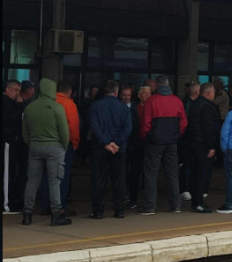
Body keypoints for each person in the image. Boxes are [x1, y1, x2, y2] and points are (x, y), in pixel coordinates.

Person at [21, 78, 71, 226]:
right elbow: (64, 132)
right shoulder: (57, 107)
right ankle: (56, 214)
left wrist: (33, 143)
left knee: (32, 181)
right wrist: (63, 147)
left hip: (35, 147)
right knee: (54, 181)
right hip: (55, 148)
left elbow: (25, 133)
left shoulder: (30, 107)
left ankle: (27, 214)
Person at [140, 74, 187, 215]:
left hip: (154, 142)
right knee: (172, 173)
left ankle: (150, 206)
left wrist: (145, 137)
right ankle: (176, 205)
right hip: (171, 142)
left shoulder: (151, 101)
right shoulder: (177, 101)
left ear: (157, 85)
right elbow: (184, 123)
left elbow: (146, 123)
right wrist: (177, 136)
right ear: (168, 84)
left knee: (150, 174)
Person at [88, 80, 132, 219]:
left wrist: (106, 143)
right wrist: (115, 143)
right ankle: (119, 210)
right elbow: (127, 128)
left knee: (99, 179)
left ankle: (98, 211)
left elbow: (94, 127)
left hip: (99, 149)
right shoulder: (124, 108)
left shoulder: (95, 106)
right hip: (119, 149)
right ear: (116, 92)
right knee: (119, 180)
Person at [40, 82, 81, 217]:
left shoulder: (44, 103)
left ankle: (45, 205)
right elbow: (73, 126)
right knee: (61, 176)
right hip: (63, 145)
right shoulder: (69, 104)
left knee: (47, 175)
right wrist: (75, 142)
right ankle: (60, 207)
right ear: (69, 92)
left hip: (45, 143)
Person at [186, 83, 219, 213]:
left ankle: (195, 200)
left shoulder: (194, 104)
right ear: (209, 93)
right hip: (202, 144)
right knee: (202, 174)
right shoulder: (207, 107)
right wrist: (211, 146)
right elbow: (208, 128)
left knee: (194, 173)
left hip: (193, 142)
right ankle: (198, 202)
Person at [3, 79, 25, 214]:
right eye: (16, 90)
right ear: (8, 89)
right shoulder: (7, 103)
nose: (18, 94)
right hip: (7, 141)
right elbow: (14, 118)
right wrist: (20, 105)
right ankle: (6, 204)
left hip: (9, 140)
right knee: (7, 172)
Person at [127, 85, 150, 209]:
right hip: (136, 143)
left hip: (149, 144)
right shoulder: (133, 108)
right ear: (139, 95)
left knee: (148, 173)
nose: (147, 95)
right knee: (135, 172)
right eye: (145, 93)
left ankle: (149, 199)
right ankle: (133, 198)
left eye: (149, 93)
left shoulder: (153, 108)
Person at [179, 82, 200, 202]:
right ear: (197, 92)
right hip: (187, 138)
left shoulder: (183, 102)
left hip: (189, 137)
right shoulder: (186, 103)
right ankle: (185, 188)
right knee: (187, 164)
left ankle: (188, 188)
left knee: (191, 164)